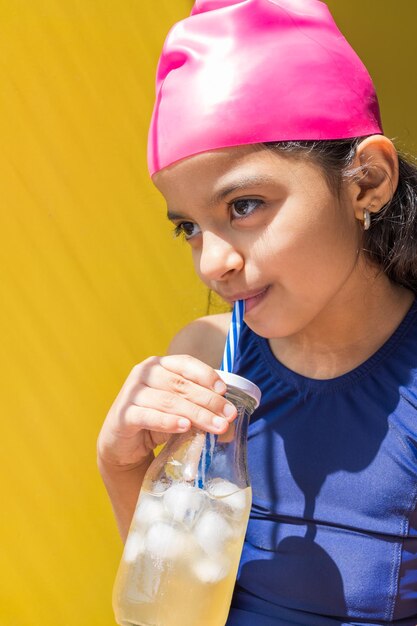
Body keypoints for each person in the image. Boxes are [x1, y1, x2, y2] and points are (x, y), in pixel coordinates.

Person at [97, 1, 417, 624]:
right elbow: (168, 609)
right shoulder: (205, 362)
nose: (211, 263)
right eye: (188, 226)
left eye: (244, 204)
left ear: (368, 181)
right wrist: (123, 466)